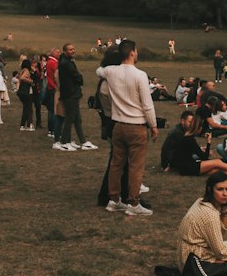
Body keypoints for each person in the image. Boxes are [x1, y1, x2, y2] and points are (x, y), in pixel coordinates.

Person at [96, 39, 156, 216]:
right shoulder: (140, 75)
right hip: (136, 126)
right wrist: (153, 125)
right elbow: (147, 105)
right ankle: (134, 203)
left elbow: (98, 70)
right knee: (135, 167)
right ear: (132, 52)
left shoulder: (110, 72)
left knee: (116, 164)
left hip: (118, 126)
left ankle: (114, 200)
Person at [56, 43, 95, 151]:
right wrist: (80, 78)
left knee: (77, 119)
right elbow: (76, 76)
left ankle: (83, 141)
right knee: (70, 118)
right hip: (70, 94)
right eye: (70, 50)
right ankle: (64, 142)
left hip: (72, 93)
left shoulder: (66, 61)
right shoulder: (66, 63)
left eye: (73, 49)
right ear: (65, 51)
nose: (73, 51)